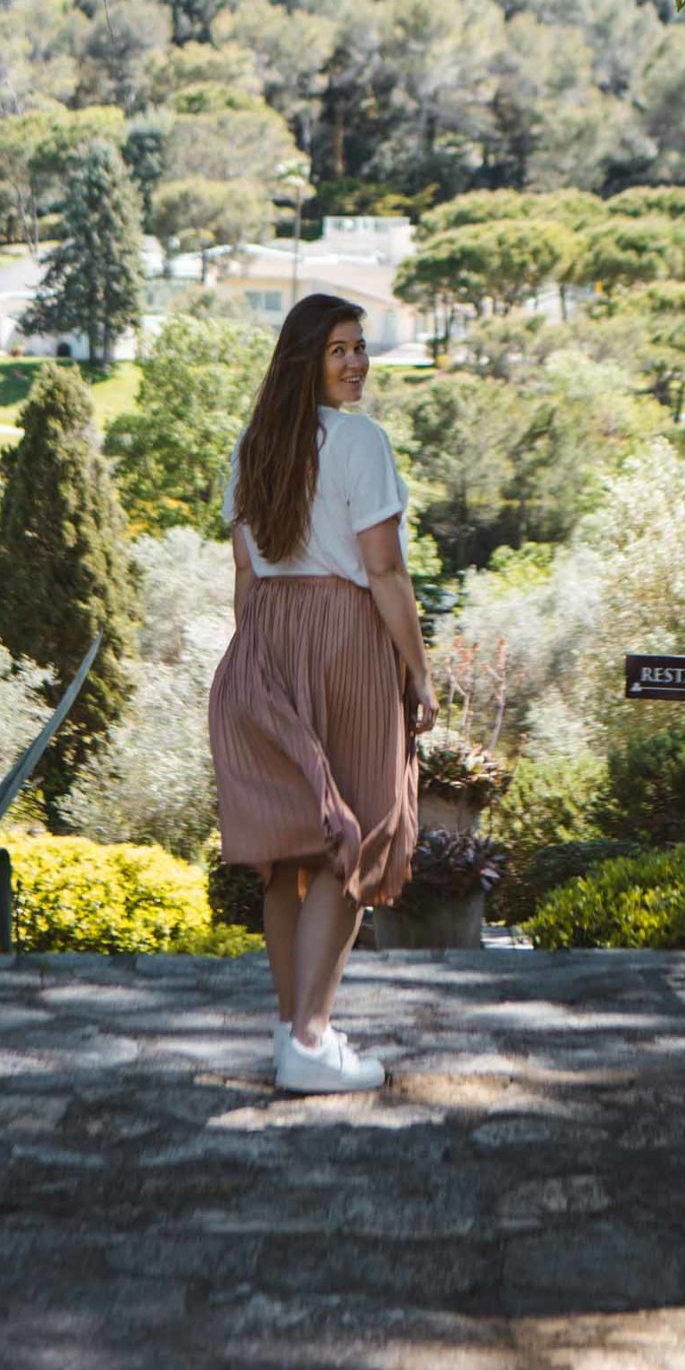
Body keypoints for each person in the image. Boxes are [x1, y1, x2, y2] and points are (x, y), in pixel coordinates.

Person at [207, 292, 437, 1094]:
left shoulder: (254, 447)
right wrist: (417, 668)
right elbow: (383, 570)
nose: (355, 363)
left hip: (268, 632)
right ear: (304, 359)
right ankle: (309, 1039)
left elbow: (244, 572)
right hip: (342, 637)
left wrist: (254, 662)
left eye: (360, 348)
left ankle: (292, 1032)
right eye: (338, 349)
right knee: (355, 844)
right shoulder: (360, 442)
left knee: (289, 855)